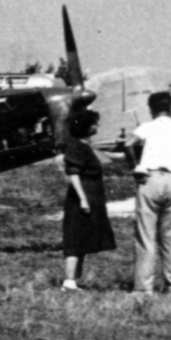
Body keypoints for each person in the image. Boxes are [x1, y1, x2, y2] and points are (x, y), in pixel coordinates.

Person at [128, 90, 171, 293]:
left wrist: (136, 168)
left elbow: (128, 144)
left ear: (151, 108)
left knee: (146, 236)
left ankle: (143, 287)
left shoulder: (146, 127)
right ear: (170, 107)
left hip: (151, 180)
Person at [60, 108, 115, 290]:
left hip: (92, 195)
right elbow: (73, 173)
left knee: (81, 237)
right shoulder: (77, 146)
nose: (97, 125)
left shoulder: (83, 145)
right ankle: (68, 281)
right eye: (94, 123)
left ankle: (73, 280)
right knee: (75, 238)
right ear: (85, 126)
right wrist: (83, 199)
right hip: (83, 195)